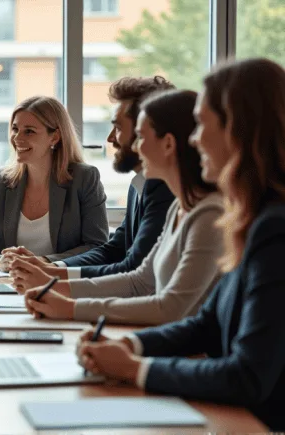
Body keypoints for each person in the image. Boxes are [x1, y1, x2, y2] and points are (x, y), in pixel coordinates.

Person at [76, 58, 285, 431]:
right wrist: (133, 347)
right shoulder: (251, 218)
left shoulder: (275, 229)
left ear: (238, 130)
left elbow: (248, 376)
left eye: (203, 124)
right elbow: (207, 323)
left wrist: (136, 368)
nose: (193, 138)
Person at [15, 90, 223, 326]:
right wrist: (53, 282)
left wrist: (70, 305)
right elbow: (139, 281)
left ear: (168, 144)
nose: (135, 145)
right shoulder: (178, 206)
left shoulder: (208, 213)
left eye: (141, 137)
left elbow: (170, 307)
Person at [15, 77, 176, 279]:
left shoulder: (166, 190)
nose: (110, 138)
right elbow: (115, 249)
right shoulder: (140, 185)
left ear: (144, 131)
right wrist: (52, 267)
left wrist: (55, 276)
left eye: (118, 128)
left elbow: (134, 269)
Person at [0, 96, 109, 270]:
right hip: (9, 284)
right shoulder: (0, 181)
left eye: (29, 131)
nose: (17, 138)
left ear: (54, 137)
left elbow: (97, 246)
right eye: (15, 129)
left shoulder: (84, 178)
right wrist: (1, 261)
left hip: (61, 286)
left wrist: (43, 262)